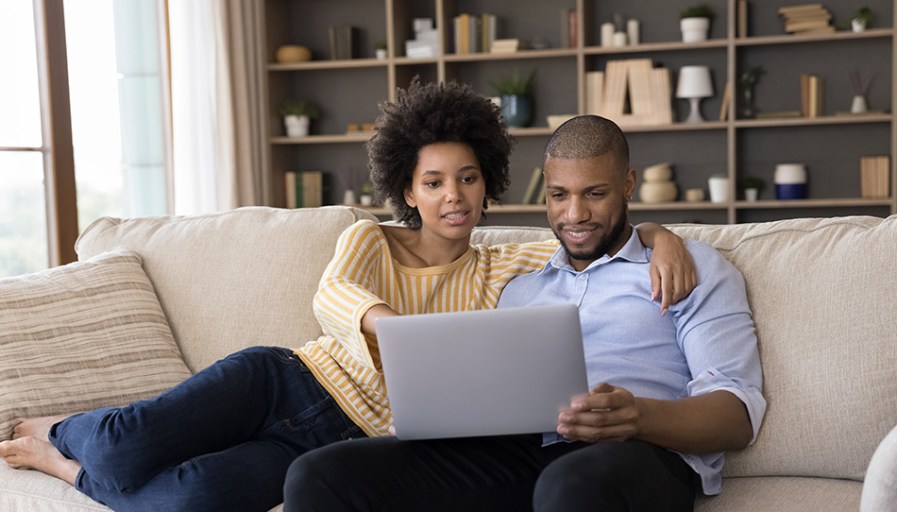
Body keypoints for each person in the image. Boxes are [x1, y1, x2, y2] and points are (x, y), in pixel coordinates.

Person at [0, 83, 693, 512]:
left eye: (468, 178)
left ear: (489, 185)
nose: (452, 196)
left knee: (194, 498)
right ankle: (68, 427)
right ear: (407, 188)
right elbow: (334, 296)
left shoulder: (503, 265)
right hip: (284, 384)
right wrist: (390, 327)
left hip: (346, 443)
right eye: (432, 182)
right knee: (125, 447)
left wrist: (659, 233)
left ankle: (61, 464)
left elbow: (587, 233)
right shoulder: (371, 241)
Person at [281, 115, 767, 512]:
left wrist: (636, 417)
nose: (574, 214)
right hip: (528, 452)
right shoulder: (520, 288)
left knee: (567, 486)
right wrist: (441, 416)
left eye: (594, 194)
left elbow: (735, 416)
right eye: (559, 195)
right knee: (321, 473)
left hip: (642, 458)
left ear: (628, 185)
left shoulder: (693, 268)